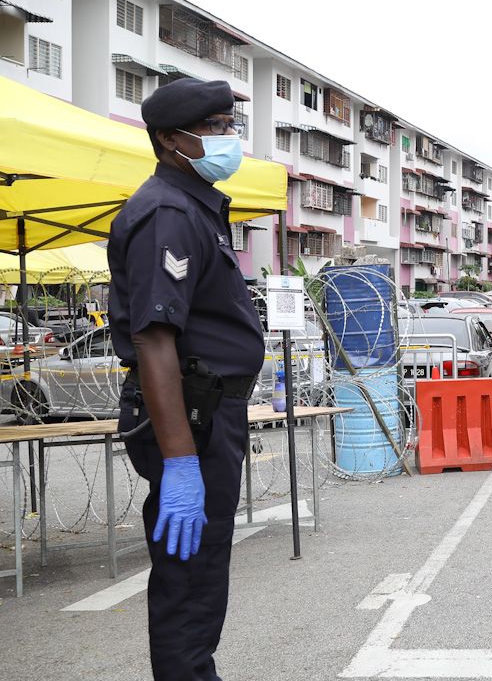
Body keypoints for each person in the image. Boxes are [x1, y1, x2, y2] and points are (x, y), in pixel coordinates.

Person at [108, 78, 264, 680]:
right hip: (189, 420)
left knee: (200, 572)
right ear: (174, 140)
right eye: (219, 127)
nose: (231, 138)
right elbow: (153, 337)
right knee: (189, 579)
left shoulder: (194, 207)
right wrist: (179, 461)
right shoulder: (168, 213)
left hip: (206, 413)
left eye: (231, 125)